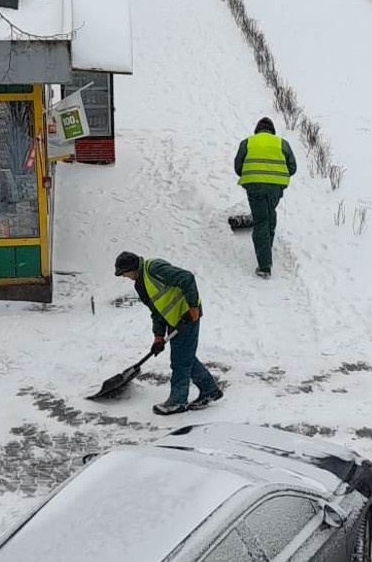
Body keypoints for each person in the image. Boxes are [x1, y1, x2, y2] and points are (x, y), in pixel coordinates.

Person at [116, 251, 223, 415]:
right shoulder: (140, 284)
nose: (125, 277)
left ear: (131, 268)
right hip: (175, 320)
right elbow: (156, 311)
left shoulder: (154, 268)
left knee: (180, 360)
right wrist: (158, 336)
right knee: (185, 356)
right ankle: (209, 389)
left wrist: (193, 307)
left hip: (188, 314)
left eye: (124, 273)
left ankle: (178, 401)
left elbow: (187, 278)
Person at [234, 117, 297, 278]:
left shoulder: (247, 143)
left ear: (257, 130)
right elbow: (292, 167)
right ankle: (266, 250)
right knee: (269, 216)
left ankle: (264, 266)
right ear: (272, 131)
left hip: (255, 187)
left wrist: (252, 175)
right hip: (275, 188)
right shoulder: (281, 143)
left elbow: (238, 167)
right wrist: (277, 176)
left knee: (261, 220)